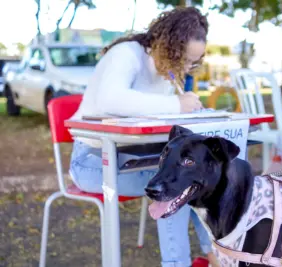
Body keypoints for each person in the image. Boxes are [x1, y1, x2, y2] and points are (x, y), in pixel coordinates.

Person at [68, 7, 219, 267]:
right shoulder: (126, 55)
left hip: (136, 160)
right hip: (92, 163)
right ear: (169, 45)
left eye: (193, 62)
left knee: (198, 179)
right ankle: (185, 262)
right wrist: (176, 105)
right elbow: (110, 100)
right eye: (183, 58)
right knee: (177, 185)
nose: (186, 67)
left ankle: (217, 255)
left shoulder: (163, 70)